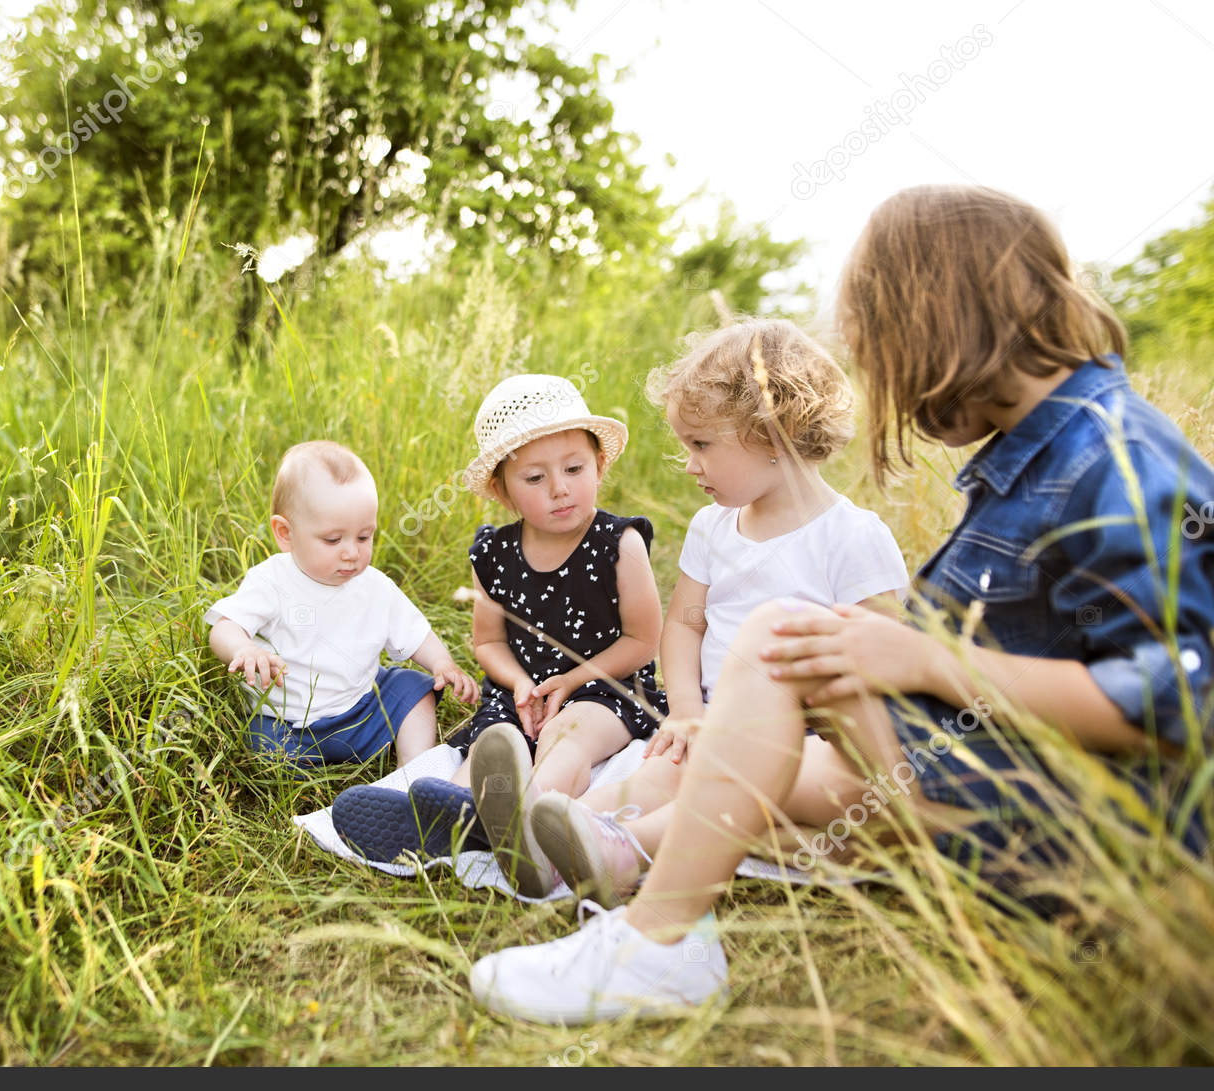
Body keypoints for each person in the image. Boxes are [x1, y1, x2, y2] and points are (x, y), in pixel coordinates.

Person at [469, 184, 1214, 1023]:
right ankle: (607, 845)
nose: (883, 381)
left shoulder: (1110, 456)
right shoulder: (1040, 453)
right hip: (990, 777)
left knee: (782, 634)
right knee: (760, 769)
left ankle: (661, 938)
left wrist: (934, 660)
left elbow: (1183, 692)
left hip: (1070, 833)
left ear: (943, 323)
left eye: (884, 350)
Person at [529, 318, 911, 909]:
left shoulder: (851, 538)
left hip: (802, 737)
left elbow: (882, 670)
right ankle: (545, 834)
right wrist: (685, 710)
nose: (688, 463)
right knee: (656, 776)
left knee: (703, 790)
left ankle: (606, 849)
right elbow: (684, 627)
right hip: (708, 720)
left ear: (773, 435)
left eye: (701, 445)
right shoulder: (713, 528)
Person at [331, 374, 667, 896]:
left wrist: (570, 681)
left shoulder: (618, 543)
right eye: (535, 478)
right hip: (523, 692)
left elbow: (643, 641)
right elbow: (488, 643)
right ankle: (449, 819)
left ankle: (530, 824)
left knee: (569, 737)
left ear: (599, 465)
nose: (559, 487)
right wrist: (517, 684)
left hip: (603, 687)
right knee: (490, 748)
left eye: (575, 469)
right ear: (501, 490)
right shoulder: (494, 555)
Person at [206, 440, 478, 770]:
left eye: (364, 537)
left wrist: (442, 663)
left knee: (412, 691)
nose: (352, 552)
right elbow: (225, 627)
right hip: (291, 726)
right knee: (262, 745)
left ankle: (415, 772)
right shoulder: (271, 581)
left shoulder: (375, 586)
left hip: (363, 709)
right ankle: (302, 774)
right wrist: (243, 650)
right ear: (285, 533)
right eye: (333, 540)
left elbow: (414, 632)